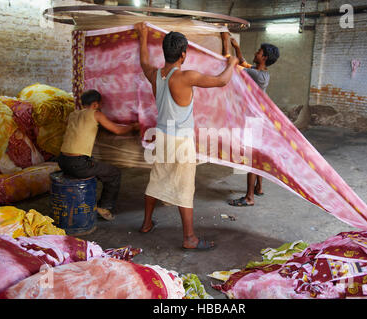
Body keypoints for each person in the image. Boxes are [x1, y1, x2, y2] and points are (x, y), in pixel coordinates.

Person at [135, 22, 239, 250]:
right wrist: (231, 63)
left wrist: (142, 36)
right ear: (183, 54)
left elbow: (143, 61)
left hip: (161, 136)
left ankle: (145, 223)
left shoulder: (155, 74)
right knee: (184, 187)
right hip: (181, 141)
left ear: (165, 52)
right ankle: (189, 238)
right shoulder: (186, 77)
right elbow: (222, 80)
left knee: (157, 178)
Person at [57, 89, 140, 221]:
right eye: (101, 104)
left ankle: (88, 200)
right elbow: (118, 130)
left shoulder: (73, 114)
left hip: (62, 160)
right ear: (95, 104)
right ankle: (104, 207)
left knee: (97, 166)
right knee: (114, 173)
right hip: (78, 164)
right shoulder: (96, 114)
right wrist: (134, 126)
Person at [221, 32, 280, 207]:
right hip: (258, 119)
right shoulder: (261, 73)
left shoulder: (256, 75)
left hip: (253, 121)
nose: (256, 52)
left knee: (251, 158)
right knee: (257, 154)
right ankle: (259, 188)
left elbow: (231, 63)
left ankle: (249, 198)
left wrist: (225, 42)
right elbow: (243, 62)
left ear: (264, 57)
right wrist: (237, 47)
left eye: (259, 52)